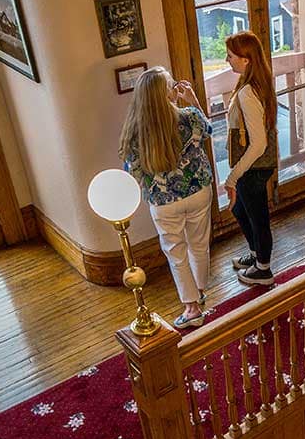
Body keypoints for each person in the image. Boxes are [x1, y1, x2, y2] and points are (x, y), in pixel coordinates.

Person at [119, 66, 213, 329]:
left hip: (163, 202)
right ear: (168, 93)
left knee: (176, 253)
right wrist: (193, 101)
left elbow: (133, 172)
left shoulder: (135, 134)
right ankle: (201, 292)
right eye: (172, 86)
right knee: (199, 245)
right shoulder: (190, 117)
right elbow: (207, 130)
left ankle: (191, 307)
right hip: (198, 192)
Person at [224, 31, 278, 287]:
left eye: (231, 56)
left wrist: (233, 177)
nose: (227, 60)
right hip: (256, 165)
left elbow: (258, 144)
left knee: (258, 218)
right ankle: (257, 255)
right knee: (240, 210)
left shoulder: (248, 92)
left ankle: (263, 270)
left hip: (253, 166)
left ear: (246, 59)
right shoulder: (256, 82)